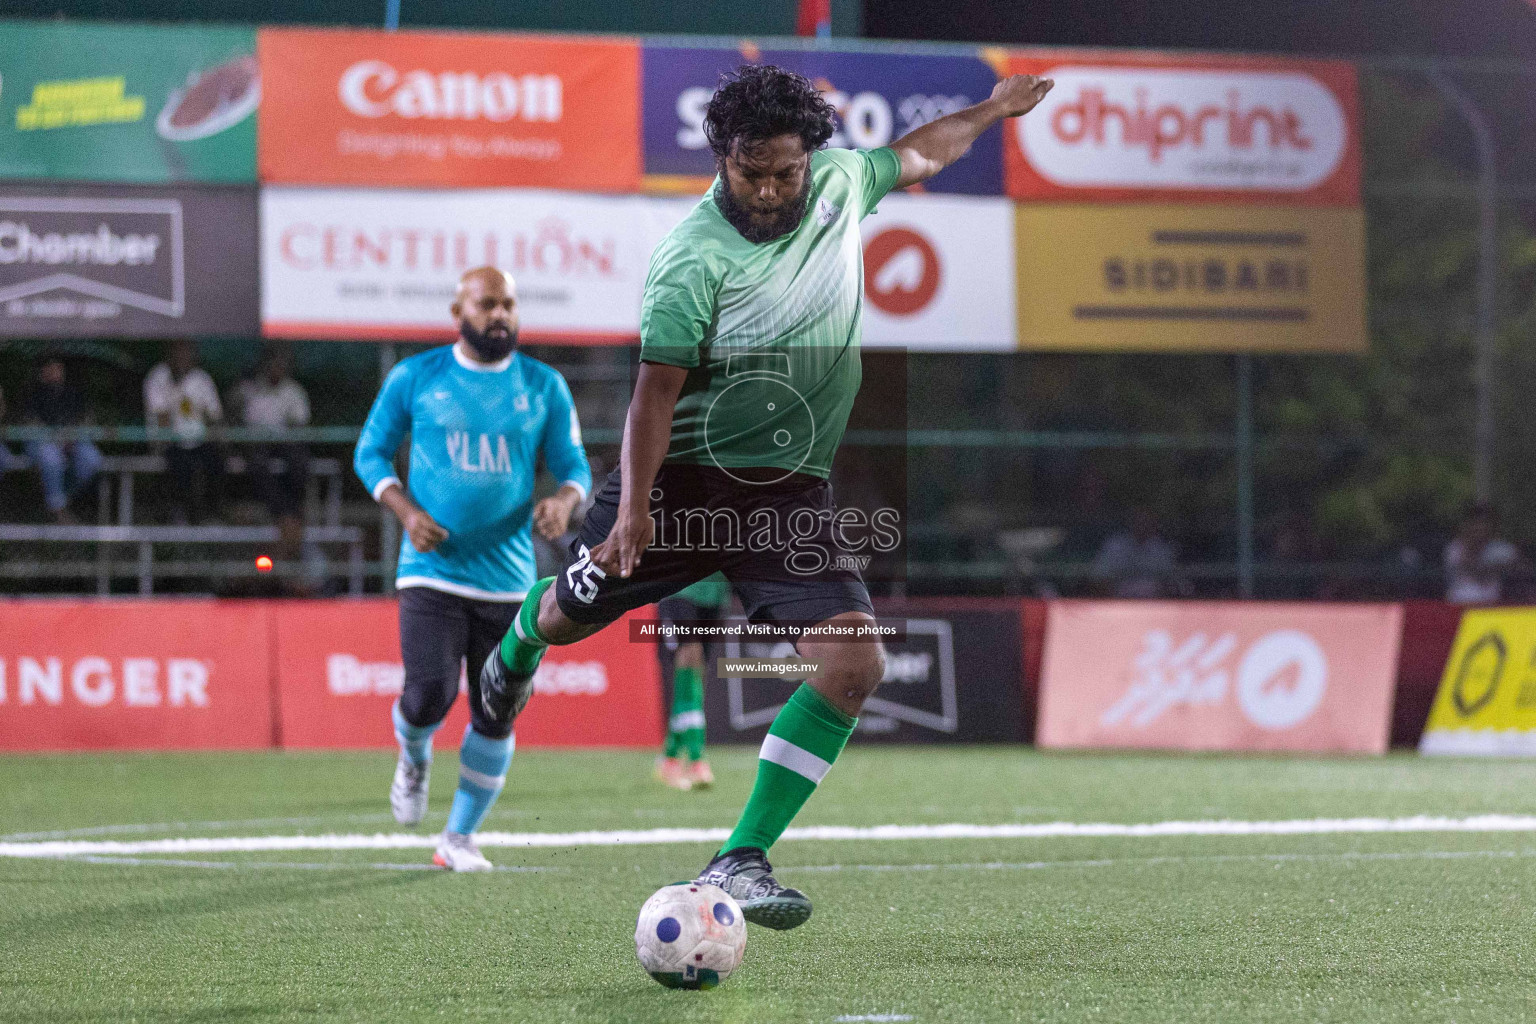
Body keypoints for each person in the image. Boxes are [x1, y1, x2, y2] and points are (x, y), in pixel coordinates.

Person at [480, 64, 1053, 928]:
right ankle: (517, 646)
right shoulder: (691, 257)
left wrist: (993, 109)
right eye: (753, 170)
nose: (771, 187)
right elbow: (654, 395)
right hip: (682, 486)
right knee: (569, 614)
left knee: (855, 663)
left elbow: (918, 154)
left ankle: (738, 858)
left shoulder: (837, 183)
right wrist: (635, 510)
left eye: (785, 170)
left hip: (787, 495)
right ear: (723, 156)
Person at [354, 266, 591, 873]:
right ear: (457, 311)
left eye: (509, 304)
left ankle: (458, 839)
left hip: (510, 579)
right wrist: (405, 512)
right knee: (430, 692)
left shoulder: (543, 384)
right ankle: (413, 755)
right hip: (431, 569)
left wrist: (563, 502)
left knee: (499, 706)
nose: (500, 315)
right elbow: (369, 452)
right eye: (487, 304)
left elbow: (575, 468)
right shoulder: (416, 376)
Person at [653, 571, 730, 791]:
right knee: (690, 656)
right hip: (679, 586)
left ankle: (670, 757)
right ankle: (697, 760)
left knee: (695, 673)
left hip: (714, 589)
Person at [233, 345, 312, 558]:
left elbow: (299, 426)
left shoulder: (294, 392)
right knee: (257, 465)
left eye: (282, 363)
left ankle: (291, 513)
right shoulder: (248, 390)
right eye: (273, 362)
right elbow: (237, 420)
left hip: (284, 442)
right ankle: (284, 514)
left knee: (299, 461)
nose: (277, 367)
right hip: (255, 444)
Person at [143, 339, 224, 523]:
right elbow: (161, 418)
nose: (182, 357)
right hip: (169, 441)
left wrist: (213, 435)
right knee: (181, 464)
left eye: (187, 352)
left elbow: (214, 415)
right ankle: (180, 514)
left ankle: (210, 514)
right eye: (178, 351)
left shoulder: (202, 379)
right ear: (169, 354)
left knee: (216, 461)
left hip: (198, 440)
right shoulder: (158, 377)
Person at [21, 360, 103, 524]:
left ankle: (61, 497)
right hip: (41, 442)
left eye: (58, 367)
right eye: (49, 367)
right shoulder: (30, 392)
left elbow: (87, 418)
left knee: (92, 460)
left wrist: (71, 436)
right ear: (41, 370)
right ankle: (57, 508)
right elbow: (29, 422)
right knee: (51, 458)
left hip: (73, 440)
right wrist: (54, 437)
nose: (54, 371)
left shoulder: (73, 391)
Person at [1091, 508, 1186, 599]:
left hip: (1155, 606)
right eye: (1138, 520)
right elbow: (1099, 579)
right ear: (1131, 522)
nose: (1142, 524)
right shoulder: (1115, 546)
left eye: (1146, 520)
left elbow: (1170, 584)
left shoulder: (1162, 550)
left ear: (1154, 523)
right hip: (1118, 605)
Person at [1444, 504, 1524, 605]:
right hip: (1458, 605)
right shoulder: (1455, 548)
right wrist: (1472, 547)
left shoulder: (1504, 550)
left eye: (1484, 523)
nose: (1480, 528)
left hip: (1494, 607)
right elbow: (1475, 571)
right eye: (1475, 523)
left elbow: (1519, 572)